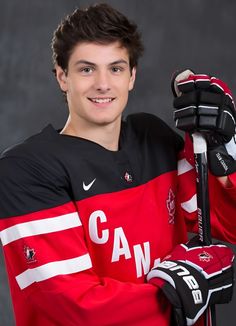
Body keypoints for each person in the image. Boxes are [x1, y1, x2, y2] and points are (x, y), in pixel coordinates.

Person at [0, 3, 235, 326]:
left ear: (132, 76)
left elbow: (227, 223)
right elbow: (72, 308)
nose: (103, 84)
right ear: (62, 76)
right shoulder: (25, 169)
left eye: (115, 68)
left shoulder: (152, 137)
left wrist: (224, 151)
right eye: (86, 69)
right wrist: (181, 293)